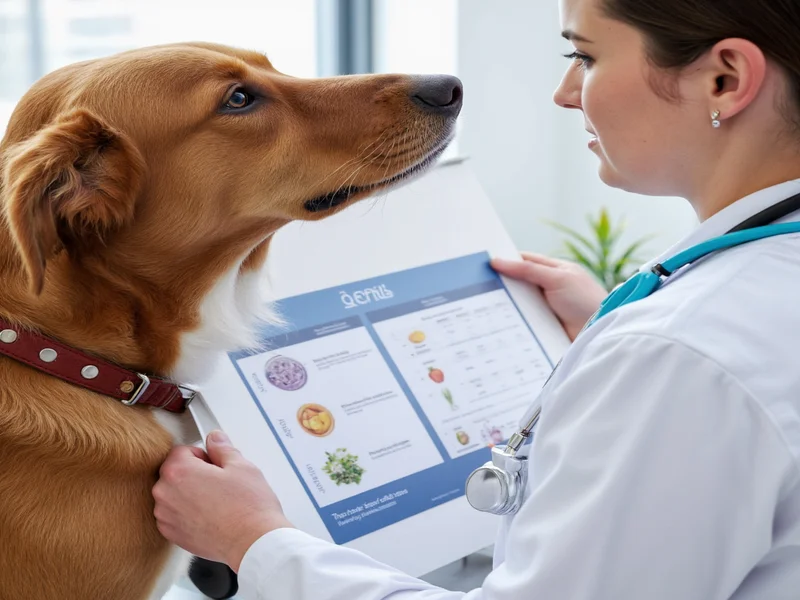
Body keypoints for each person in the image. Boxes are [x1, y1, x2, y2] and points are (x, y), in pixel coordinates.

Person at [153, 0, 800, 597]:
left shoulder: (681, 356)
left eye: (586, 57)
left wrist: (253, 541)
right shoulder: (731, 305)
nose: (565, 93)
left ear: (725, 79)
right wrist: (614, 324)